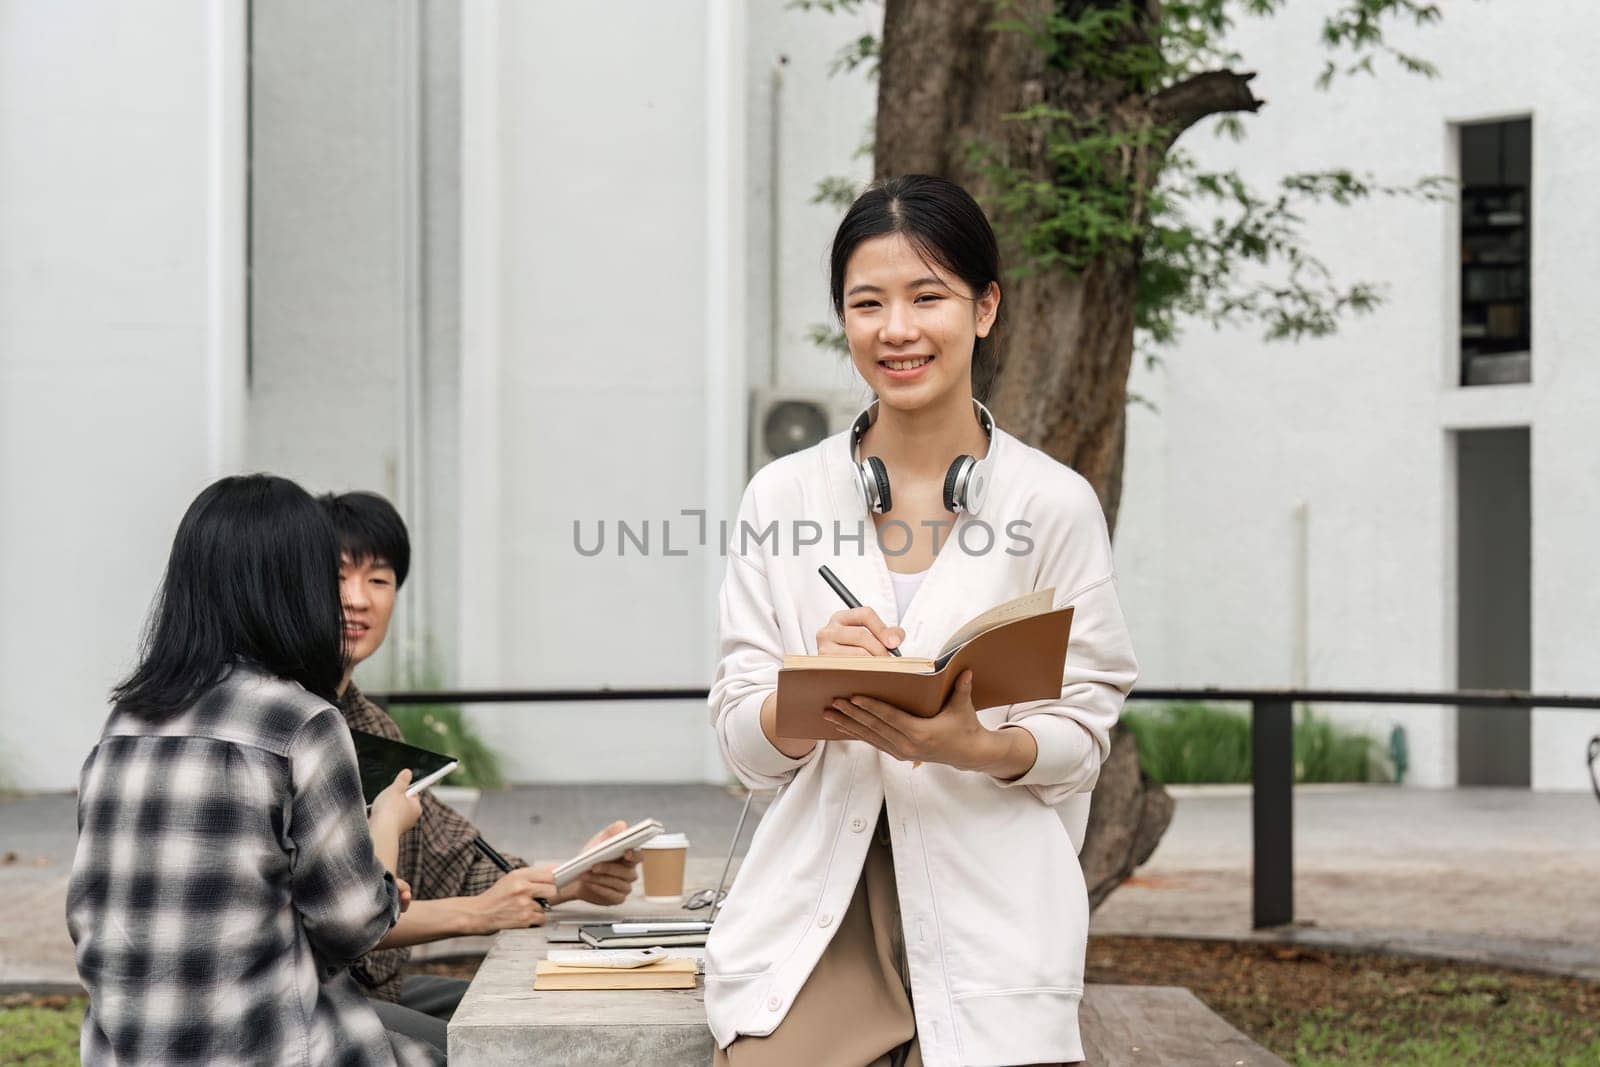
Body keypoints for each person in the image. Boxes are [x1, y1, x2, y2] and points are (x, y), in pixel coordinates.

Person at [704, 175, 1138, 1067]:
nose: (896, 328)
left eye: (927, 296)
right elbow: (743, 749)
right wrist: (803, 695)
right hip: (817, 921)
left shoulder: (1053, 504)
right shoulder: (781, 497)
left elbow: (1084, 734)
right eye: (868, 303)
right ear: (845, 321)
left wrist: (974, 745)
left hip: (996, 918)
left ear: (985, 308)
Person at [66, 475, 435, 1065]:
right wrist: (386, 825)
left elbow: (90, 915)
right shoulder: (303, 723)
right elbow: (353, 927)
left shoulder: (125, 724)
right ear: (297, 589)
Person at [319, 491, 641, 1053]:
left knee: (538, 1021)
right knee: (485, 1049)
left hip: (377, 987)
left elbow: (457, 855)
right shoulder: (290, 729)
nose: (358, 600)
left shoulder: (372, 724)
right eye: (338, 577)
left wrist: (571, 879)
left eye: (380, 581)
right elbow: (334, 917)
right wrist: (478, 914)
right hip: (308, 1000)